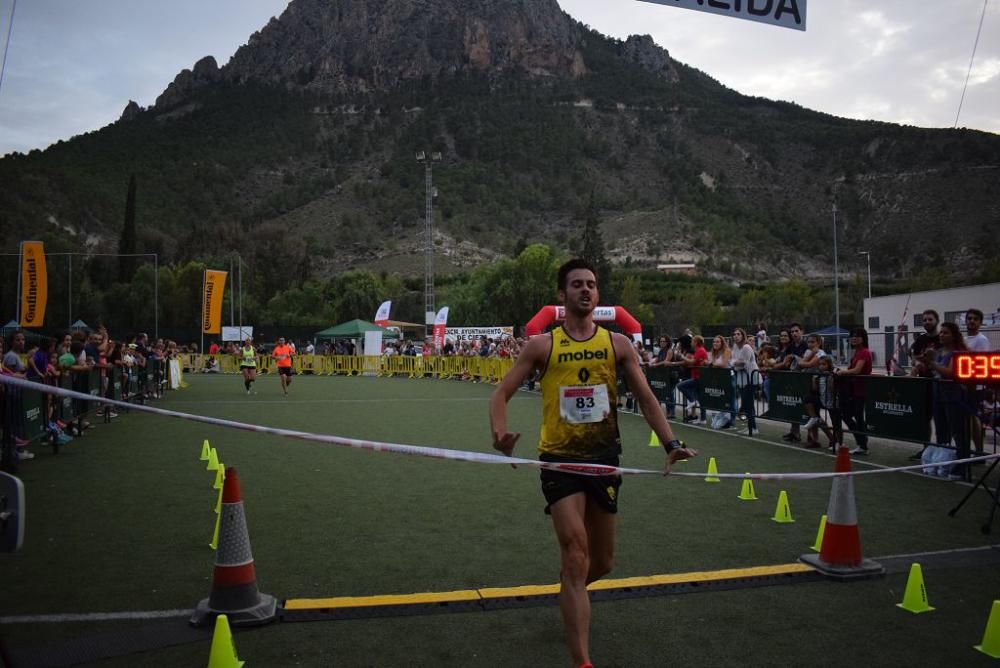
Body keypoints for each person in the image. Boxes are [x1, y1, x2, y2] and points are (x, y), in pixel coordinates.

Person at [489, 259, 696, 668]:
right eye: (577, 285)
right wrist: (500, 435)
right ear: (561, 295)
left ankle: (569, 591)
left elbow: (648, 399)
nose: (586, 290)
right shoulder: (542, 345)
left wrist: (670, 442)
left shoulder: (618, 344)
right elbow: (500, 395)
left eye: (592, 285)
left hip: (604, 459)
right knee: (576, 552)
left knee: (602, 562)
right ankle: (582, 660)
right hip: (560, 461)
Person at [835, 327, 873, 456]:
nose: (854, 338)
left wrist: (842, 372)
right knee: (847, 415)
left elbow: (857, 370)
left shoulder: (865, 352)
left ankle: (862, 444)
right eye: (852, 336)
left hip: (861, 391)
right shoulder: (857, 353)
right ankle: (862, 441)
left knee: (858, 417)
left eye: (857, 336)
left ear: (863, 338)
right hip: (852, 391)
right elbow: (851, 369)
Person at [964, 308, 992, 456]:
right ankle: (966, 449)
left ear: (980, 323)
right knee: (966, 419)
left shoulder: (982, 340)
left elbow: (982, 363)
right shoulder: (963, 339)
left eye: (975, 319)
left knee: (974, 418)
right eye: (969, 318)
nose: (972, 321)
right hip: (963, 385)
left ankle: (979, 450)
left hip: (976, 386)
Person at [730, 328, 758, 435]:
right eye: (734, 334)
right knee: (746, 403)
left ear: (743, 336)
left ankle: (753, 428)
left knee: (748, 403)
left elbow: (743, 363)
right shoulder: (735, 347)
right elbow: (733, 361)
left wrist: (735, 363)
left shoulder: (746, 347)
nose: (736, 336)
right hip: (741, 378)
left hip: (750, 377)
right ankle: (750, 426)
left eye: (738, 334)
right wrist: (735, 363)